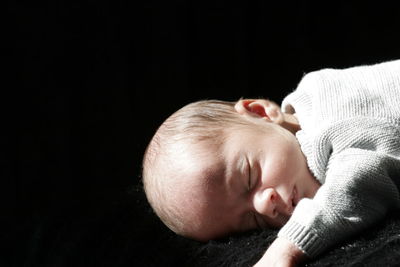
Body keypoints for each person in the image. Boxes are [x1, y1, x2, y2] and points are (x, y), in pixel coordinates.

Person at [142, 60, 400, 266]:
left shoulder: (328, 110)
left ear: (261, 113)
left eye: (250, 177)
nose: (265, 206)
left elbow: (359, 181)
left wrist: (288, 247)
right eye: (253, 220)